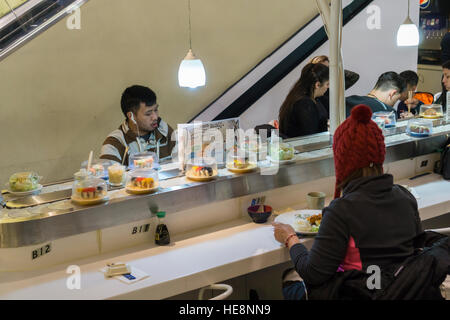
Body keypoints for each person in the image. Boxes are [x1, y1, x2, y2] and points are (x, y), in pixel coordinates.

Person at [272, 105, 447, 300]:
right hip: (404, 290)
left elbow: (313, 273)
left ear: (341, 161)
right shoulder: (405, 197)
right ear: (380, 156)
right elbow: (415, 248)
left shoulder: (342, 211)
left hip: (365, 292)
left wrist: (291, 239)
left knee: (291, 280)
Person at [100, 85, 176, 166]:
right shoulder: (114, 143)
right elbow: (109, 176)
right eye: (148, 113)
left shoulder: (163, 129)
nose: (155, 117)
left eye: (156, 110)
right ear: (131, 116)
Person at [278, 63, 329, 138]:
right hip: (304, 147)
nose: (328, 87)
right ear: (317, 85)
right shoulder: (305, 104)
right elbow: (310, 137)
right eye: (327, 84)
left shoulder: (297, 95)